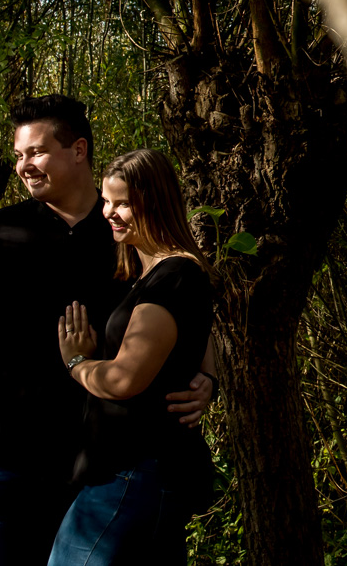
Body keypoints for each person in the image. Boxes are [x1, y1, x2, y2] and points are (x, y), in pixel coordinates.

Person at [0, 96, 217, 566]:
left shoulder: (125, 233)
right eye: (19, 155)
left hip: (100, 470)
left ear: (78, 150)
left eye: (36, 152)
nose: (24, 166)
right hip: (0, 464)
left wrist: (207, 377)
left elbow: (184, 307)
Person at [50, 149, 215, 566]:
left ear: (155, 199)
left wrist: (77, 363)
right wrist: (209, 378)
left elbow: (125, 381)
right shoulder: (152, 274)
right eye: (107, 201)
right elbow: (197, 338)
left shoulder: (174, 276)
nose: (110, 212)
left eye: (122, 202)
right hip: (137, 471)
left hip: (133, 471)